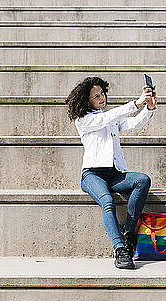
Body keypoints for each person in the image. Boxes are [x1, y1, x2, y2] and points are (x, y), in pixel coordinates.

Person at [65, 77, 157, 269]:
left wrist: (148, 108)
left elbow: (133, 123)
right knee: (107, 201)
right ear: (87, 101)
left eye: (102, 94)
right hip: (92, 175)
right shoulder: (84, 120)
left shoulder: (110, 118)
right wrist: (136, 102)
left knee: (142, 180)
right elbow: (106, 118)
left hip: (114, 174)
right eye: (96, 96)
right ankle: (120, 249)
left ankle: (129, 234)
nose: (101, 98)